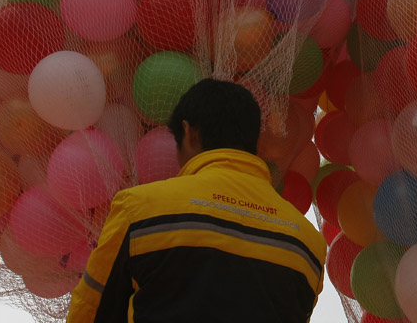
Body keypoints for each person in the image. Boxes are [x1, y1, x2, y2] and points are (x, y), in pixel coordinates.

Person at [66, 78, 327, 323]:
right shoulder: (308, 245)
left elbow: (91, 312)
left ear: (189, 133)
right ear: (252, 141)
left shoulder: (139, 209)